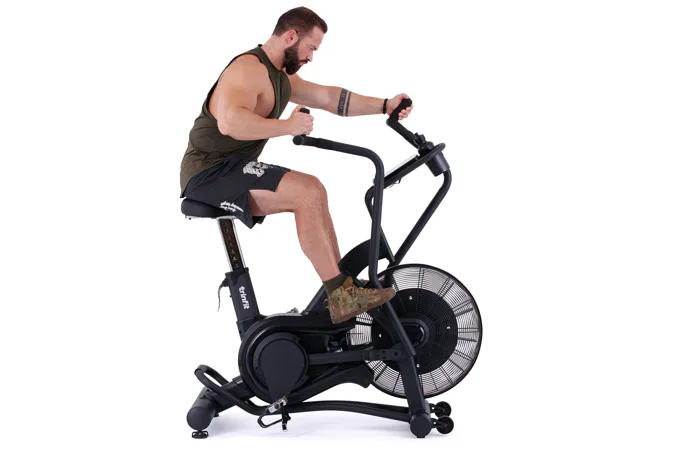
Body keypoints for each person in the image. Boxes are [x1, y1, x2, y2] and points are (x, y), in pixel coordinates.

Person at [179, 7, 413, 324]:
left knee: (314, 190)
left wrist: (384, 105)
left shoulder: (280, 76)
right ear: (291, 36)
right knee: (306, 192)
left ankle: (343, 290)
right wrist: (288, 126)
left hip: (231, 169)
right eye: (310, 48)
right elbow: (230, 123)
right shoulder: (247, 69)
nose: (311, 57)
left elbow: (328, 98)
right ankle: (342, 297)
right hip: (208, 173)